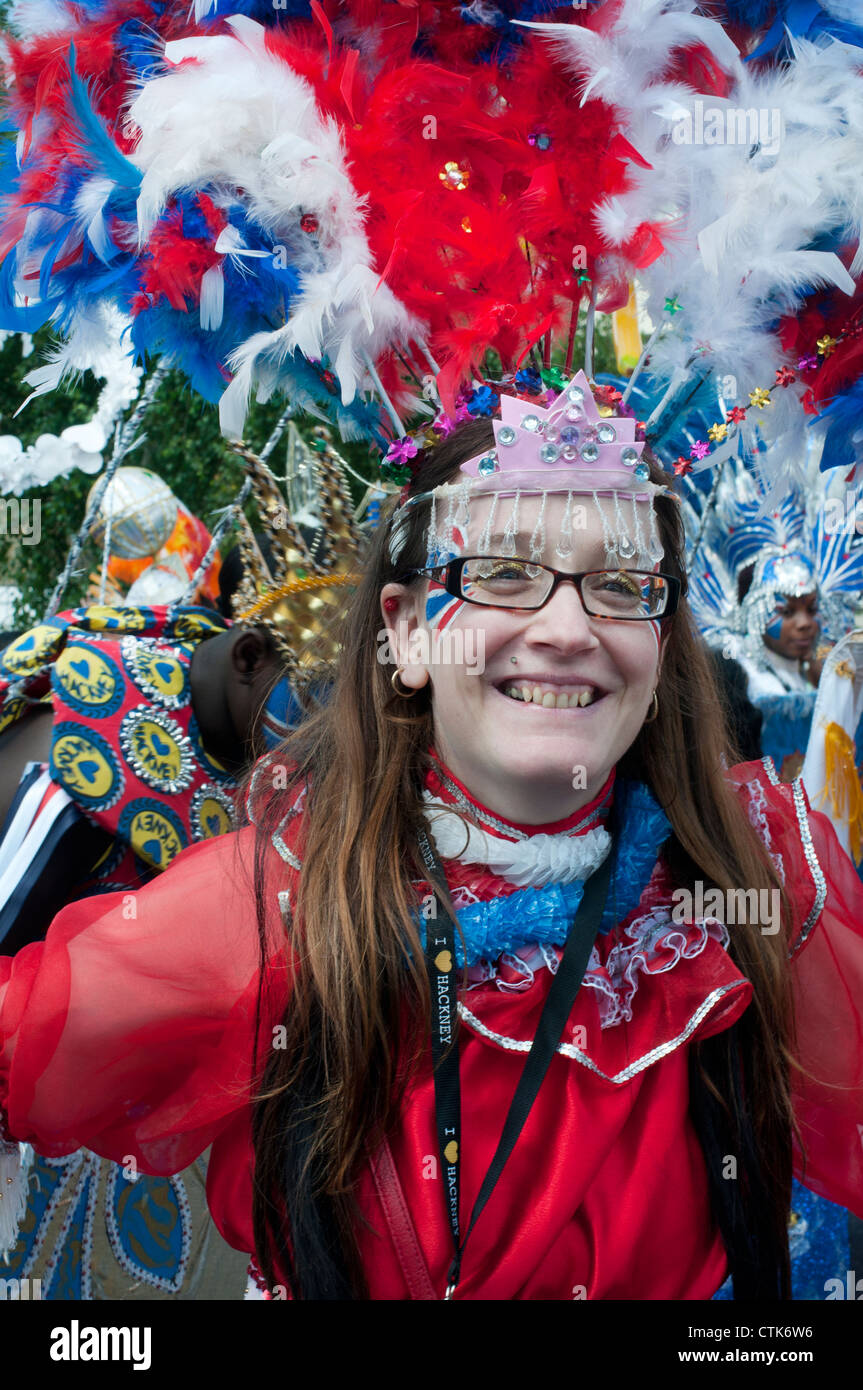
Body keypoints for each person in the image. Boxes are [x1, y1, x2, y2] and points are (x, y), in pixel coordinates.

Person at [0, 372, 861, 1301]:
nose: (567, 627)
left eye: (621, 584)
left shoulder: (764, 876)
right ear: (407, 634)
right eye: (500, 572)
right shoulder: (273, 904)